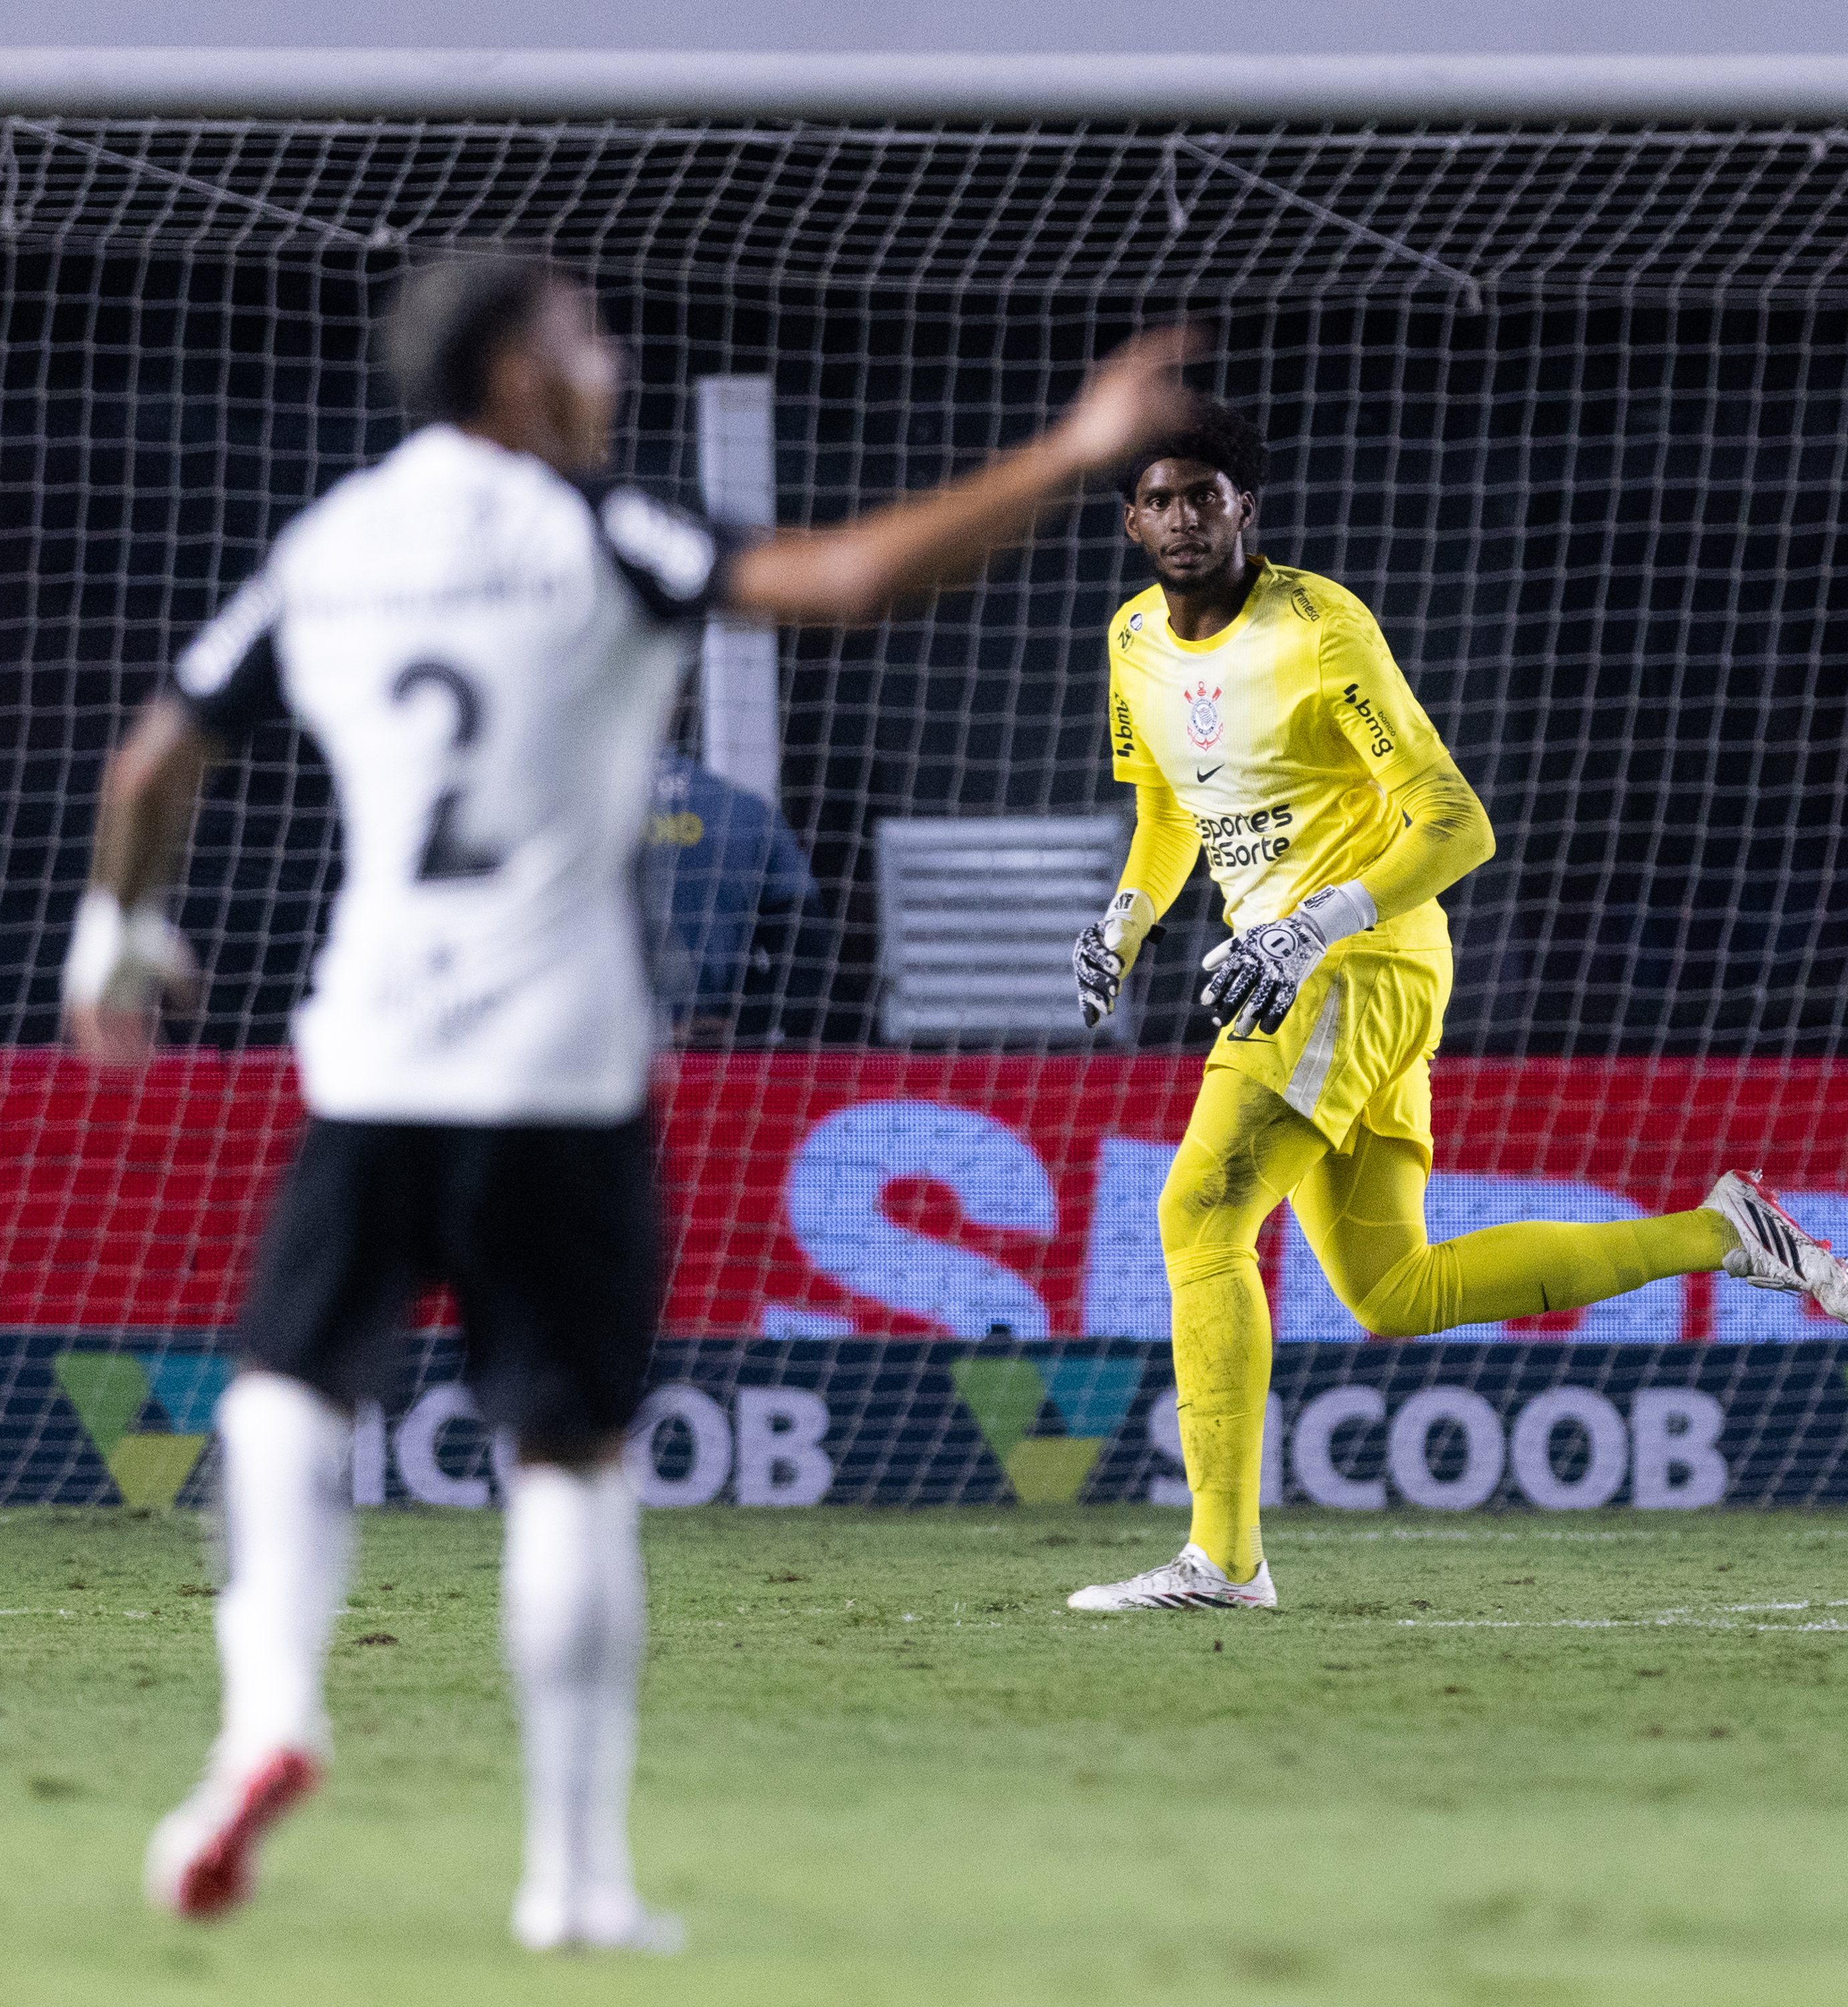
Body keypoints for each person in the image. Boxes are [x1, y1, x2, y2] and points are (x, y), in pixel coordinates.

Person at [61, 256, 1192, 1947]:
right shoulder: (601, 528)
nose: (615, 362)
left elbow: (149, 763)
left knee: (289, 1390)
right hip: (559, 1073)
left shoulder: (335, 543)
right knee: (570, 1462)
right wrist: (1066, 450)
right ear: (517, 374)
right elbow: (855, 579)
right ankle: (573, 1880)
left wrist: (119, 930)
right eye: (587, 338)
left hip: (370, 1049)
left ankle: (269, 1712)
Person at [1066, 401, 1848, 1614]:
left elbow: (1457, 825)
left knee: (1197, 1214)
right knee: (1393, 1292)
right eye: (1160, 500)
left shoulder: (1321, 630)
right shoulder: (1131, 642)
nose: (1182, 517)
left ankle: (1222, 1563)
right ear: (1130, 521)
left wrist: (1303, 927)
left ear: (1245, 509)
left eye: (1204, 495)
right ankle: (1723, 1235)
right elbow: (1172, 817)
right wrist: (1124, 922)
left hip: (1355, 959)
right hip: (1303, 969)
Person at [640, 748, 832, 1044]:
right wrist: (743, 1026)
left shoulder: (570, 811)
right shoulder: (745, 809)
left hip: (593, 1053)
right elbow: (808, 953)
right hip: (715, 1061)